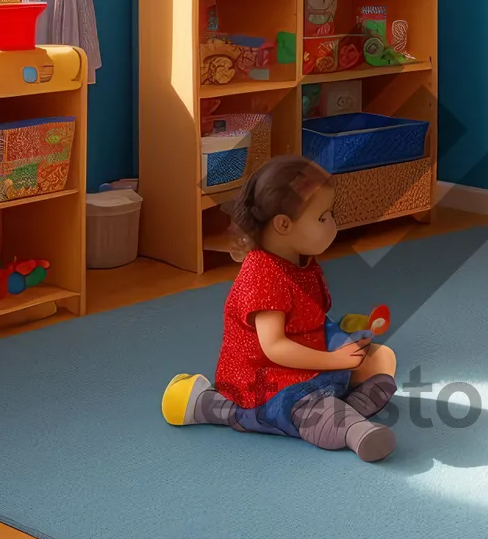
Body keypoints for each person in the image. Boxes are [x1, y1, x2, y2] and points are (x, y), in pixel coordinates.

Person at [161, 156, 397, 461]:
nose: (333, 225)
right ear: (283, 225)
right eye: (323, 217)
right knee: (311, 406)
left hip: (310, 362)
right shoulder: (263, 275)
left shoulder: (300, 261)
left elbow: (309, 319)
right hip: (266, 380)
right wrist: (334, 358)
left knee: (382, 358)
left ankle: (340, 408)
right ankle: (354, 430)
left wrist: (345, 333)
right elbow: (275, 347)